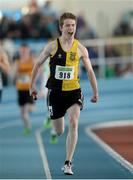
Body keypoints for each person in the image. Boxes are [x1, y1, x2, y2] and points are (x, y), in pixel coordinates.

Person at [30, 12, 98, 175]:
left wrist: (96, 91)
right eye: (67, 25)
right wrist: (32, 86)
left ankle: (68, 163)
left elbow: (89, 71)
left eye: (73, 25)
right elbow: (37, 65)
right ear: (61, 27)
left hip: (74, 91)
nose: (71, 28)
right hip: (55, 93)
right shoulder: (52, 46)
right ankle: (55, 131)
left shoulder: (81, 48)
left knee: (73, 122)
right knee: (60, 130)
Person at [12, 43, 35, 135]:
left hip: (30, 88)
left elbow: (39, 71)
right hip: (20, 89)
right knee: (23, 113)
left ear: (28, 51)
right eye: (22, 51)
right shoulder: (17, 62)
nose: (24, 52)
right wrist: (15, 75)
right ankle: (27, 126)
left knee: (30, 109)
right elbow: (12, 75)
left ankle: (28, 123)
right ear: (20, 52)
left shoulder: (32, 60)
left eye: (25, 51)